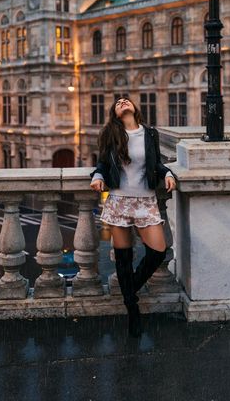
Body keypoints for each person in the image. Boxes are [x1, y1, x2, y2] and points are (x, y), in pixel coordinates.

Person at [90, 96, 176, 337]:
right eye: (118, 103)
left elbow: (156, 163)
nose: (123, 102)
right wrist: (97, 177)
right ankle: (132, 311)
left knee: (158, 251)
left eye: (126, 100)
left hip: (145, 200)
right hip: (119, 200)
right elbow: (103, 164)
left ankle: (130, 291)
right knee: (123, 257)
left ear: (135, 108)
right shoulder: (110, 134)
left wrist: (168, 173)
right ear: (114, 114)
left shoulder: (149, 133)